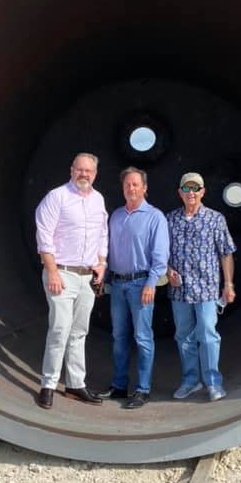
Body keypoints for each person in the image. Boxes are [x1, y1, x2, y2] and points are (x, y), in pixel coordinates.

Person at [34, 153, 108, 409]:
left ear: (95, 174)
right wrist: (52, 271)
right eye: (80, 169)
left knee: (79, 332)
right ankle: (49, 384)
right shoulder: (57, 197)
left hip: (87, 276)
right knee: (59, 330)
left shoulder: (98, 200)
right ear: (71, 170)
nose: (84, 174)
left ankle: (76, 384)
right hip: (62, 274)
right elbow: (44, 236)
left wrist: (102, 264)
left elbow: (102, 234)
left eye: (89, 171)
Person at [102, 167, 170, 409]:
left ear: (144, 188)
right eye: (127, 185)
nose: (131, 188)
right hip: (117, 284)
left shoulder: (155, 217)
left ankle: (142, 389)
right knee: (119, 337)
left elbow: (160, 256)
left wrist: (151, 283)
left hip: (141, 284)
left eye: (135, 184)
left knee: (142, 337)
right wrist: (104, 279)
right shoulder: (117, 215)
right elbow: (108, 250)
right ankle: (119, 386)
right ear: (122, 188)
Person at [166, 171, 236, 401]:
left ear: (203, 191)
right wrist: (167, 271)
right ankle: (190, 380)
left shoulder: (215, 219)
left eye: (195, 188)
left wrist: (228, 284)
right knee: (183, 336)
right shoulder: (170, 220)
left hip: (206, 289)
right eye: (186, 189)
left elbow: (226, 253)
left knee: (207, 334)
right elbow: (159, 253)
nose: (191, 193)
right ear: (180, 192)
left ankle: (213, 382)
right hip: (179, 291)